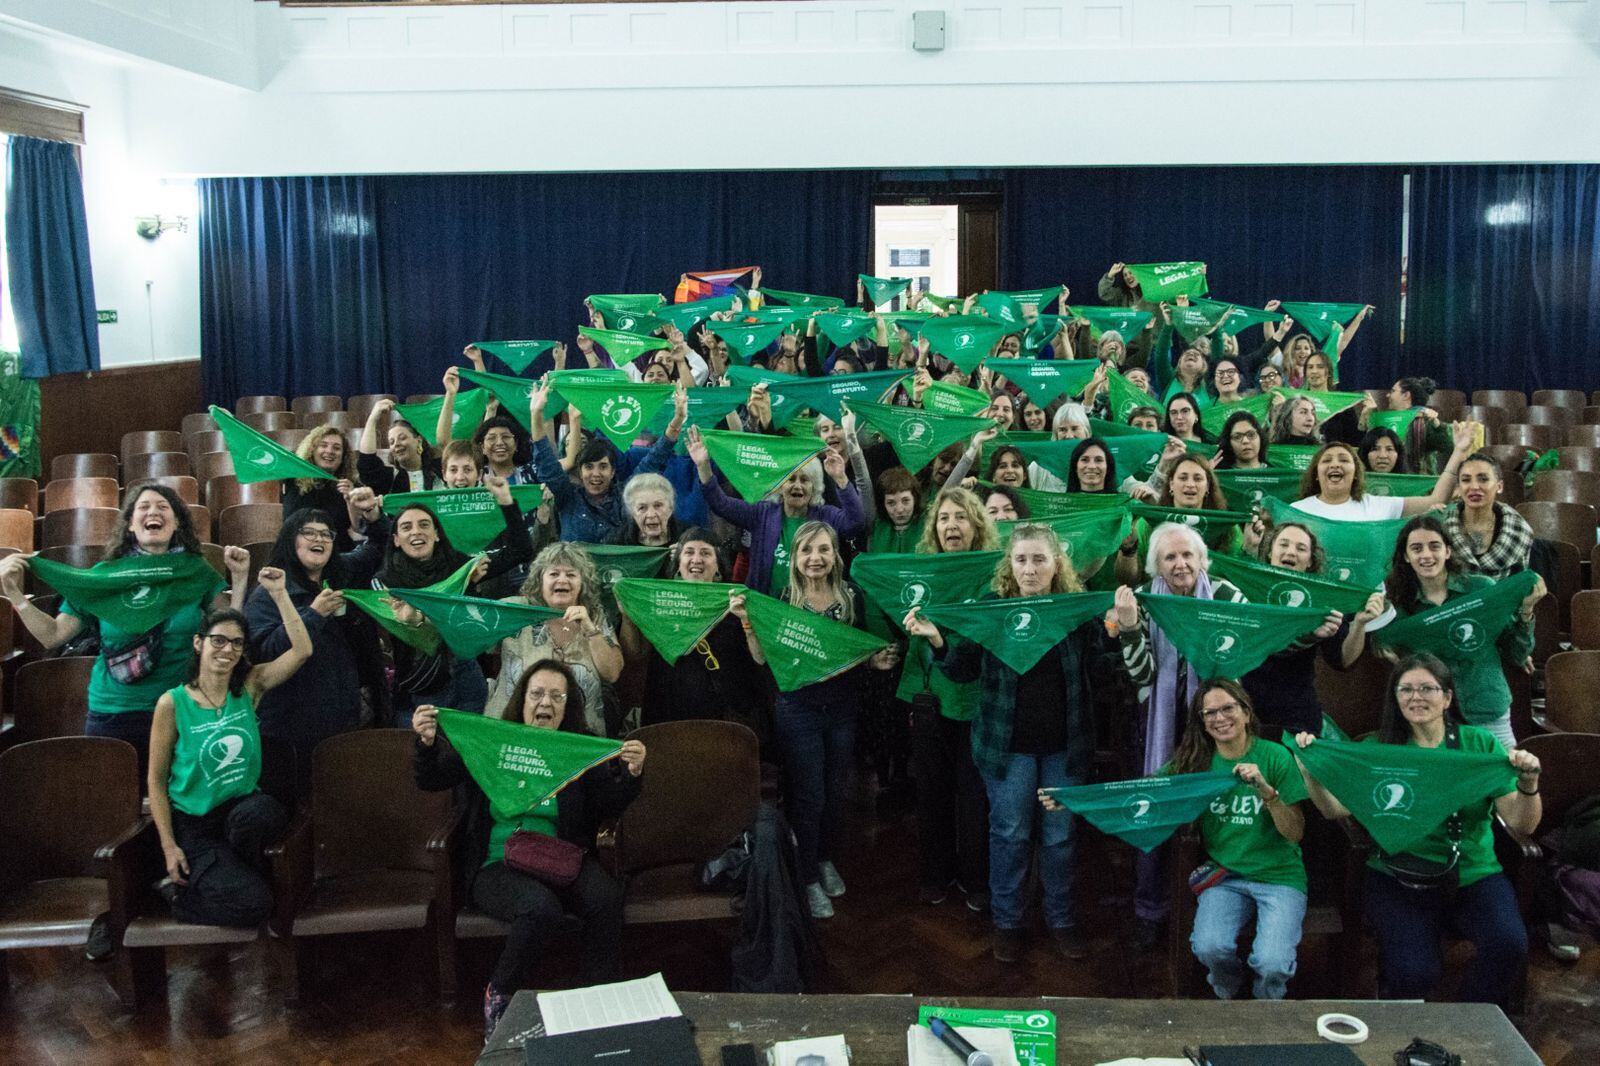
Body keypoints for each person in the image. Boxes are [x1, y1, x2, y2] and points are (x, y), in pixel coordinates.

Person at [412, 660, 646, 1039]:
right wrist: (425, 744)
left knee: (606, 897)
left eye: (557, 696)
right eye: (537, 693)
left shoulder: (574, 749)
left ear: (567, 707)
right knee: (539, 909)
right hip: (498, 863)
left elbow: (608, 803)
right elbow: (432, 778)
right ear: (521, 701)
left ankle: (598, 1002)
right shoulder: (493, 743)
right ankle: (499, 995)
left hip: (559, 858)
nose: (546, 703)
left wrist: (632, 776)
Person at [1292, 654, 1541, 1007]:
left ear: (1448, 698)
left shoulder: (1480, 745)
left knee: (1510, 945)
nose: (1416, 697)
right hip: (1397, 876)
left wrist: (1529, 784)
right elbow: (1335, 809)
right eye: (1405, 689)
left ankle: (1468, 1020)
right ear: (1395, 698)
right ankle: (1399, 1008)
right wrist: (1309, 772)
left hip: (1473, 874)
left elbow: (1521, 823)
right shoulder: (1377, 749)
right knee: (1415, 973)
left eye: (1427, 688)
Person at [905, 523, 1104, 963]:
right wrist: (937, 641)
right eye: (1021, 560)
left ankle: (1061, 919)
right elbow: (962, 671)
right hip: (1006, 746)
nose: (1030, 569)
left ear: (1057, 564)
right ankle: (1008, 921)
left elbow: (1101, 665)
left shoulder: (1074, 610)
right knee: (1009, 833)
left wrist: (1120, 628)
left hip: (1064, 747)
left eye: (1039, 559)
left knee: (1060, 836)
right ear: (1009, 565)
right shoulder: (993, 608)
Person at [1052, 679, 1308, 999]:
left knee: (1272, 963)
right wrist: (1073, 799)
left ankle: (1264, 1009)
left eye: (1227, 708)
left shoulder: (1275, 757)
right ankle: (1230, 996)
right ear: (1202, 722)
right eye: (1209, 713)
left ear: (1246, 713)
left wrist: (1266, 792)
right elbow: (1138, 794)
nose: (1219, 718)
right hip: (1225, 875)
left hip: (1279, 876)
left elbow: (1295, 831)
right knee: (1209, 947)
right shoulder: (1194, 763)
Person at [0, 484, 249, 777]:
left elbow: (227, 634)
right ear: (131, 525)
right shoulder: (106, 577)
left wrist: (240, 577)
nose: (153, 512)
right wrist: (14, 595)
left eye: (162, 506)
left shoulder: (196, 573)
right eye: (143, 507)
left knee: (177, 803)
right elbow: (53, 635)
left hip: (181, 709)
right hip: (113, 713)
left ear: (177, 522)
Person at [734, 521, 900, 919]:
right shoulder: (783, 599)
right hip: (798, 710)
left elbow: (860, 651)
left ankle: (824, 858)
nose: (815, 558)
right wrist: (747, 623)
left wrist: (877, 660)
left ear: (835, 555)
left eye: (823, 550)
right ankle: (806, 876)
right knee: (808, 796)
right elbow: (760, 658)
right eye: (807, 551)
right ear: (794, 557)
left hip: (843, 707)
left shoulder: (852, 596)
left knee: (835, 791)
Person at [147, 570, 312, 928]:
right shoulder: (172, 704)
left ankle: (230, 877)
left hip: (240, 813)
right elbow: (156, 783)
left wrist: (280, 594)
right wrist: (168, 846)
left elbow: (302, 650)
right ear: (198, 643)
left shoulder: (249, 687)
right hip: (196, 825)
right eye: (219, 641)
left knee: (262, 812)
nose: (228, 650)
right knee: (255, 905)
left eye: (237, 643)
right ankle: (179, 899)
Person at [1113, 522, 1248, 949]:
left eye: (1188, 555)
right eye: (1170, 557)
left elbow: (1239, 663)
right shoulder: (1148, 601)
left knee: (1212, 820)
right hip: (1160, 726)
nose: (1180, 563)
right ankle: (1149, 913)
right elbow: (1142, 677)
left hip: (1218, 727)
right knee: (1154, 814)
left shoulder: (1227, 596)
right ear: (1157, 566)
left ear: (1202, 559)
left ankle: (1207, 913)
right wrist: (1132, 628)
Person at [245, 493, 386, 802]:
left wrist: (374, 517)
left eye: (326, 534)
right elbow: (263, 654)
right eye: (308, 532)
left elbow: (376, 549)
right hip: (290, 728)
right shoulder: (268, 592)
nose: (319, 539)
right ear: (290, 541)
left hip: (341, 719)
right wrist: (313, 615)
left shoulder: (340, 574)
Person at [1364, 515, 1540, 751]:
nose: (1426, 555)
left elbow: (1517, 654)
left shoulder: (1481, 590)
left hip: (1487, 708)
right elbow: (1384, 647)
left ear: (1448, 551)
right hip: (1432, 717)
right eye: (1416, 548)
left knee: (1503, 781)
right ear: (1406, 557)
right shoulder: (1398, 607)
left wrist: (1527, 611)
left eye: (1434, 546)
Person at [901, 488, 995, 911]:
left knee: (974, 798)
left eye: (960, 517)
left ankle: (975, 878)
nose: (951, 525)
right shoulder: (921, 573)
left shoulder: (995, 575)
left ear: (977, 526)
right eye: (943, 519)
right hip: (929, 700)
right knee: (932, 793)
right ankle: (935, 873)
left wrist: (941, 638)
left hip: (977, 702)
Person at [380, 475, 533, 726]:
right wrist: (462, 586)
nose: (416, 531)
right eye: (406, 527)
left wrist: (506, 501)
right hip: (421, 688)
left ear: (438, 534)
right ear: (396, 540)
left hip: (467, 676)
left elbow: (520, 550)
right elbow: (410, 632)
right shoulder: (384, 581)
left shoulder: (461, 566)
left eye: (424, 525)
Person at [618, 527, 768, 745]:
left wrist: (747, 622)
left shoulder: (737, 605)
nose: (696, 559)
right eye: (689, 552)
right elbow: (635, 655)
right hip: (666, 717)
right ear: (678, 565)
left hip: (722, 724)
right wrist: (627, 616)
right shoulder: (659, 603)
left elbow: (760, 660)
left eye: (705, 553)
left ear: (718, 568)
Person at [687, 424, 864, 596]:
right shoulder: (761, 514)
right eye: (791, 479)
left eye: (805, 480)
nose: (798, 486)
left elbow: (855, 524)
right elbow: (720, 503)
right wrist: (703, 465)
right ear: (779, 486)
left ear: (815, 486)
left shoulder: (826, 516)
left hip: (809, 612)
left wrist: (840, 478)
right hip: (767, 609)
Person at [1240, 521, 1376, 739]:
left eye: (1301, 548)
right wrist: (1248, 549)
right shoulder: (1246, 589)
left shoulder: (1321, 598)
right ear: (1269, 552)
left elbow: (1342, 660)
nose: (1291, 552)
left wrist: (1359, 624)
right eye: (1283, 544)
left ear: (1310, 561)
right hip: (1245, 712)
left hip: (1297, 717)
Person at [486, 541, 623, 734]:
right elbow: (467, 632)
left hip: (579, 737)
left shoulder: (595, 617)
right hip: (510, 733)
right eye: (554, 574)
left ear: (583, 583)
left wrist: (590, 630)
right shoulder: (513, 610)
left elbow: (612, 673)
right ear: (539, 580)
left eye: (571, 574)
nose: (562, 580)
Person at [528, 382, 681, 544]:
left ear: (613, 471)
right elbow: (546, 461)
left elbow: (655, 458)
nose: (596, 473)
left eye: (603, 466)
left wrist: (677, 420)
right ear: (580, 472)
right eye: (588, 467)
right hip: (576, 568)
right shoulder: (569, 497)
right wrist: (536, 413)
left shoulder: (626, 495)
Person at [1290, 431, 1474, 522]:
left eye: (1344, 460)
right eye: (1327, 460)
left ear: (1356, 474)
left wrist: (1458, 452)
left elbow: (1436, 499)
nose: (1335, 464)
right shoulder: (1295, 511)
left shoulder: (1378, 505)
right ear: (1315, 474)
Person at [1443, 453, 1535, 580]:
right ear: (1459, 488)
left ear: (1499, 486)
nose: (1474, 487)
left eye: (1483, 479)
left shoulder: (1518, 530)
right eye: (1466, 480)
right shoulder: (1442, 524)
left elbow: (1520, 584)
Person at [285, 424, 359, 550]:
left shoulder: (350, 485)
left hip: (338, 551)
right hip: (298, 549)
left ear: (343, 457)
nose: (329, 451)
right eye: (323, 445)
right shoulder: (293, 478)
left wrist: (350, 500)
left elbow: (359, 528)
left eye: (336, 448)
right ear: (312, 450)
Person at [358, 398, 441, 493]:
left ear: (419, 440)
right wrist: (373, 419)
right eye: (391, 442)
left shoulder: (440, 470)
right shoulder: (388, 478)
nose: (396, 444)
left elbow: (446, 443)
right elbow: (367, 463)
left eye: (402, 438)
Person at [866, 467, 924, 555]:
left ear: (915, 499)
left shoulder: (928, 525)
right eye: (891, 503)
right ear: (883, 504)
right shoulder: (877, 527)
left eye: (905, 501)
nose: (900, 509)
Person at [614, 473, 680, 548]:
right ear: (632, 512)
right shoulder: (617, 543)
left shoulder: (688, 539)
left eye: (658, 506)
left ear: (670, 508)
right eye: (642, 508)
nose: (651, 515)